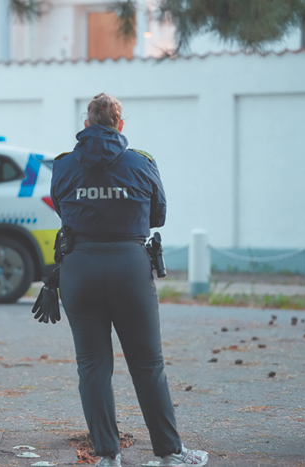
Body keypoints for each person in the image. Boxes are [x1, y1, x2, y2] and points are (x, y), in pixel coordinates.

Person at [49, 93, 208, 467]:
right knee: (148, 363)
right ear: (120, 125)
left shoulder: (64, 165)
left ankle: (108, 457)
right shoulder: (142, 162)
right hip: (129, 267)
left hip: (80, 267)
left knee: (92, 365)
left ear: (86, 124)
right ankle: (170, 453)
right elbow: (159, 214)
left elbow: (60, 206)